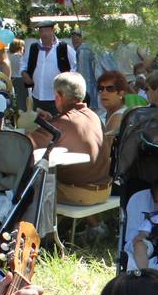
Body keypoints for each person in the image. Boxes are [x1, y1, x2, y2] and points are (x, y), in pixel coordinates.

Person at [35, 71, 111, 205]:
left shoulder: (61, 123)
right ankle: (95, 225)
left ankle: (34, 226)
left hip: (80, 192)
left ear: (58, 97)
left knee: (30, 188)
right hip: (105, 190)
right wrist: (52, 120)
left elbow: (29, 146)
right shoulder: (94, 116)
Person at [23, 22, 65, 114]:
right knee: (38, 126)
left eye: (46, 31)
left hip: (56, 98)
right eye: (41, 31)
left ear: (53, 31)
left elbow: (74, 68)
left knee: (56, 125)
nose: (44, 34)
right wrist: (24, 73)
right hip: (37, 96)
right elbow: (23, 64)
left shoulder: (63, 48)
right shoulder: (34, 48)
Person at [96, 69, 129, 138]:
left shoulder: (119, 116)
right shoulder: (105, 114)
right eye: (101, 88)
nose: (104, 93)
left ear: (121, 93)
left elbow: (109, 148)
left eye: (110, 88)